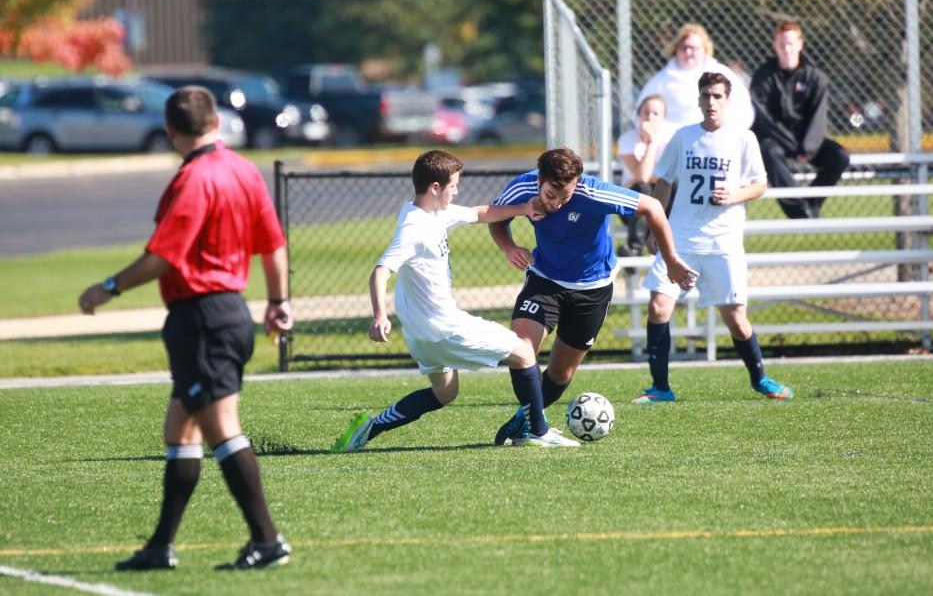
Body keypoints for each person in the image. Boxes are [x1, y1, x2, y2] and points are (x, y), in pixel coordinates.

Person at [77, 86, 294, 570]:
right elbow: (273, 245)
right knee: (180, 428)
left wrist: (107, 287)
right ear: (215, 120)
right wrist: (278, 302)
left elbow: (162, 257)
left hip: (202, 318)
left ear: (171, 130)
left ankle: (267, 540)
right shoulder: (244, 171)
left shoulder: (192, 179)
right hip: (229, 312)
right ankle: (160, 547)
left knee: (220, 428)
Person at [331, 150, 581, 452]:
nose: (457, 190)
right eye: (454, 185)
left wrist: (524, 207)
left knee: (444, 393)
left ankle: (370, 428)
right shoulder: (414, 229)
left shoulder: (427, 212)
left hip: (420, 336)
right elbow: (381, 271)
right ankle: (538, 432)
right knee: (525, 352)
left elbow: (480, 213)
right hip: (445, 327)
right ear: (435, 188)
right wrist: (379, 316)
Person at [489, 148, 697, 445]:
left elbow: (652, 207)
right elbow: (497, 218)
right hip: (544, 279)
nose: (557, 204)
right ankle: (539, 427)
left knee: (561, 374)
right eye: (550, 196)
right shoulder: (522, 186)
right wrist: (509, 247)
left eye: (566, 197)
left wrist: (672, 259)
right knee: (521, 350)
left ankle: (524, 420)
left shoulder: (595, 193)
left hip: (593, 289)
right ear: (539, 181)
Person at [631, 71, 793, 405]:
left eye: (717, 96)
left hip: (723, 242)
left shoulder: (743, 139)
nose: (711, 102)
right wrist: (654, 229)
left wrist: (734, 195)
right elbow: (662, 183)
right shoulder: (682, 137)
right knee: (658, 307)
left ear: (727, 100)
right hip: (681, 240)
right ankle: (660, 387)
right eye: (705, 96)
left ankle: (760, 379)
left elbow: (760, 185)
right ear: (699, 100)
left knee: (735, 319)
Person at [750, 20, 850, 220]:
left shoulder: (815, 77)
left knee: (839, 156)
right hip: (775, 140)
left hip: (806, 141)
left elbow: (818, 117)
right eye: (782, 44)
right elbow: (763, 119)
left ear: (800, 44)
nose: (787, 49)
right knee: (768, 150)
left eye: (791, 43)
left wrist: (807, 148)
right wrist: (793, 147)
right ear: (775, 46)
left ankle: (810, 204)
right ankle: (797, 213)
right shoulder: (763, 76)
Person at [635, 22, 754, 131]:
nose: (688, 52)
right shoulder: (662, 79)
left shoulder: (722, 73)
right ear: (676, 49)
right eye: (684, 47)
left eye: (694, 48)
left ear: (704, 50)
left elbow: (744, 109)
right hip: (675, 145)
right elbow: (639, 115)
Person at [617, 93, 678, 256]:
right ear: (638, 115)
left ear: (664, 117)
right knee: (643, 188)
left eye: (656, 113)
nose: (650, 117)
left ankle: (664, 242)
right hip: (633, 207)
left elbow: (675, 176)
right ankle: (635, 249)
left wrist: (654, 176)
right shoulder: (628, 140)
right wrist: (650, 141)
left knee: (671, 186)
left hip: (664, 204)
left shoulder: (672, 139)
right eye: (646, 112)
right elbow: (643, 177)